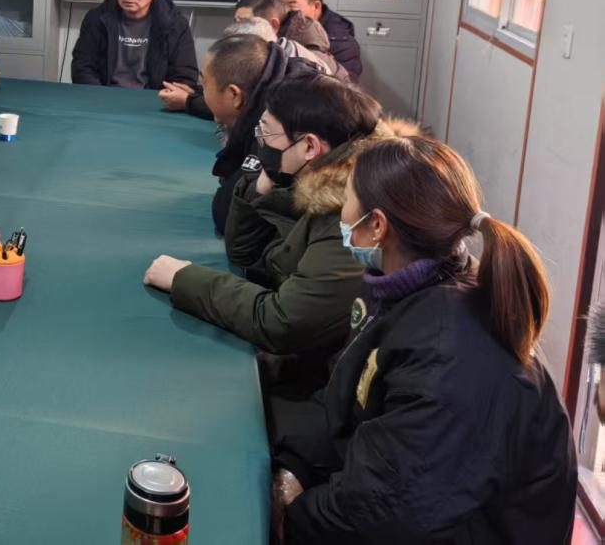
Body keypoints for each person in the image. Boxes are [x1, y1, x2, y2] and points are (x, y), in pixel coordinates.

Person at [271, 136, 575, 543]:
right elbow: (345, 397)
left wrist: (294, 518)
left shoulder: (449, 354)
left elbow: (386, 510)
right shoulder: (400, 289)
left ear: (377, 226)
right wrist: (295, 466)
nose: (341, 213)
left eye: (347, 200)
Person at [146, 76, 410, 372]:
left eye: (267, 132)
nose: (261, 141)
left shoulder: (350, 215)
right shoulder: (315, 177)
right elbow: (246, 253)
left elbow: (283, 322)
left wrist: (184, 278)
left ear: (309, 146)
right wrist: (261, 187)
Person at [192, 34, 319, 233]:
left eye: (205, 84)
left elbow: (228, 215)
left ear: (234, 95)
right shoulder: (286, 83)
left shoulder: (277, 124)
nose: (202, 91)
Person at [71, 0, 198, 90]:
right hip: (104, 95)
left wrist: (162, 98)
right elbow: (82, 67)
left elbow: (184, 77)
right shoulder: (97, 19)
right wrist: (100, 96)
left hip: (153, 99)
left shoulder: (175, 25)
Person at [235, 0, 348, 81]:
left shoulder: (305, 59)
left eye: (246, 22)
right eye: (236, 21)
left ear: (274, 24)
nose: (237, 28)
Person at [279, 0, 363, 81]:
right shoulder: (281, 25)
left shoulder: (341, 42)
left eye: (292, 7)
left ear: (316, 6)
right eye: (281, 6)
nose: (284, 12)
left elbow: (346, 86)